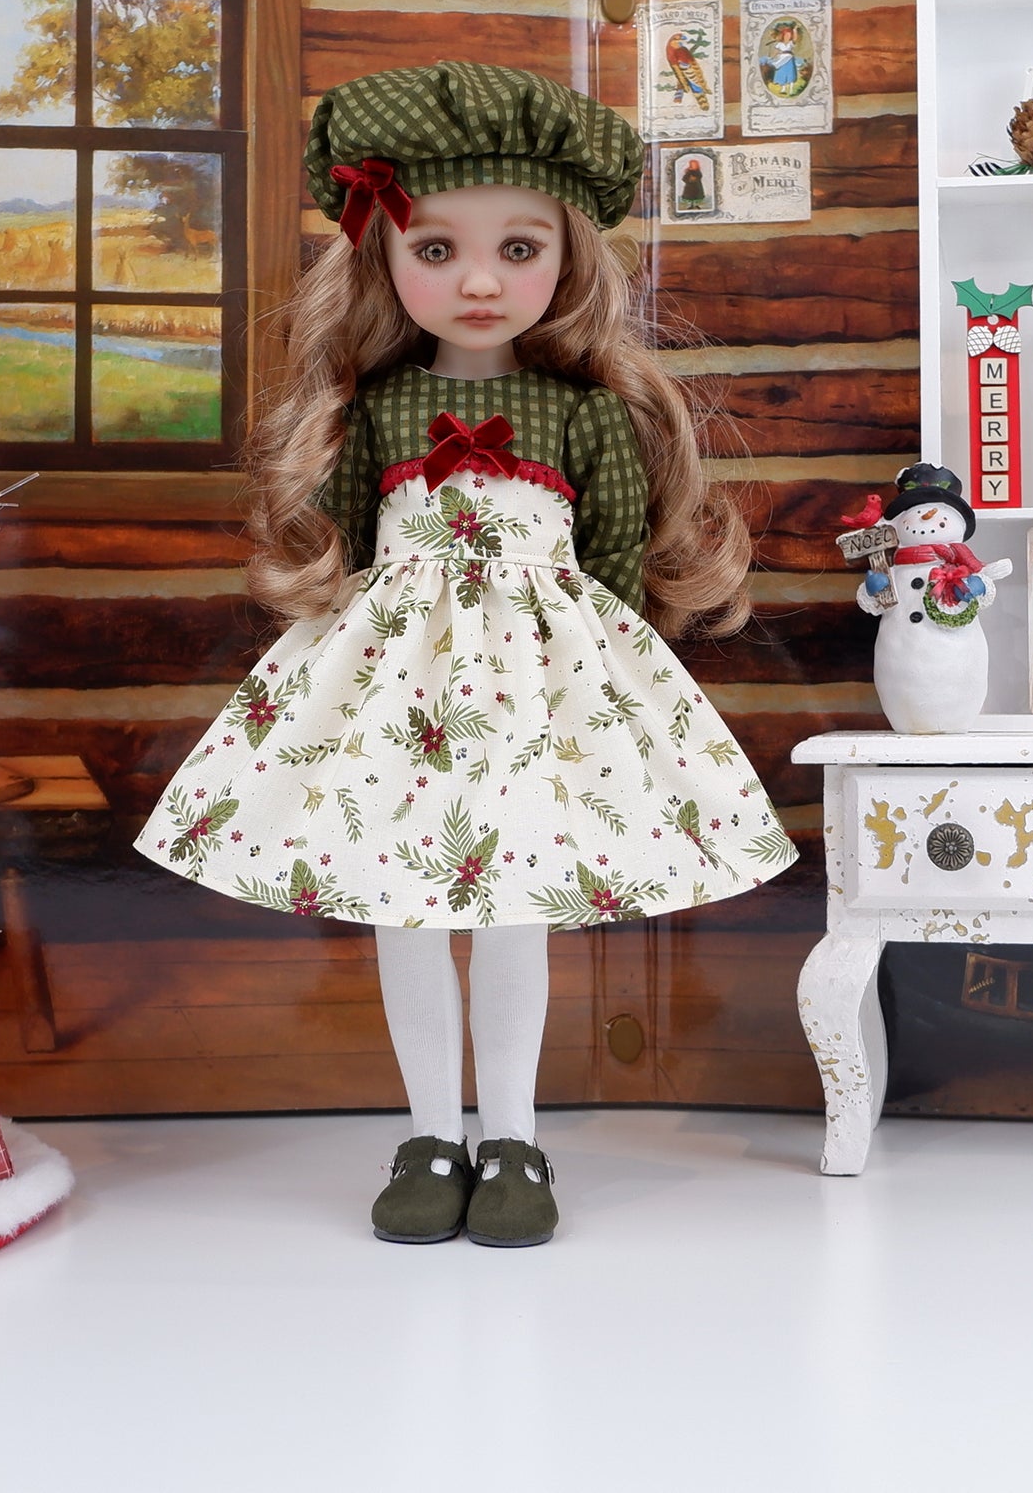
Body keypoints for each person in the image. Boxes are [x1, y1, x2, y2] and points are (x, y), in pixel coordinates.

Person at [135, 62, 794, 1247]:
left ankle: (515, 1140)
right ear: (381, 255)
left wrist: (600, 703)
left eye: (518, 248)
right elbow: (340, 541)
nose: (481, 281)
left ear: (569, 256)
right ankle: (432, 1135)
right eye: (436, 249)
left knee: (513, 915)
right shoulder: (380, 406)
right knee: (404, 911)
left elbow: (606, 563)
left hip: (540, 695)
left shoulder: (585, 412)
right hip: (396, 690)